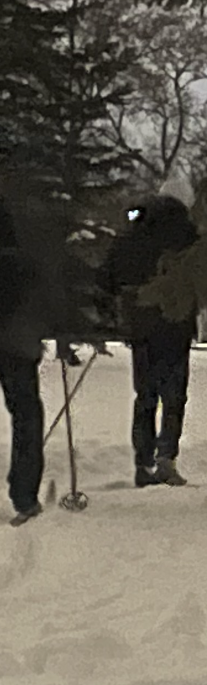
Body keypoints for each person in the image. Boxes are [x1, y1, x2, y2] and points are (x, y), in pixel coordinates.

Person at [99, 194, 201, 488]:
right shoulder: (186, 238)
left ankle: (143, 462)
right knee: (174, 397)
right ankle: (166, 456)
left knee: (145, 397)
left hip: (140, 328)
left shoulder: (132, 237)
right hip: (176, 326)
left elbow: (107, 278)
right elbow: (205, 274)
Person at [0, 189, 48, 524]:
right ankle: (25, 495)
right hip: (16, 345)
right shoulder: (22, 263)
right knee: (26, 415)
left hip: (17, 341)